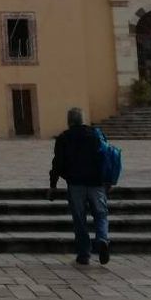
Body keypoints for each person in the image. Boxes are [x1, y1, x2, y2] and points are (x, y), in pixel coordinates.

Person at [48, 107, 110, 266]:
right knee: (101, 215)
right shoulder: (96, 134)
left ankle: (84, 254)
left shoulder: (64, 137)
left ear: (69, 121)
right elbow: (106, 159)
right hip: (96, 183)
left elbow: (58, 163)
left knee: (79, 220)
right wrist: (107, 182)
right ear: (83, 120)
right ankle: (102, 239)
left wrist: (53, 185)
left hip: (76, 184)